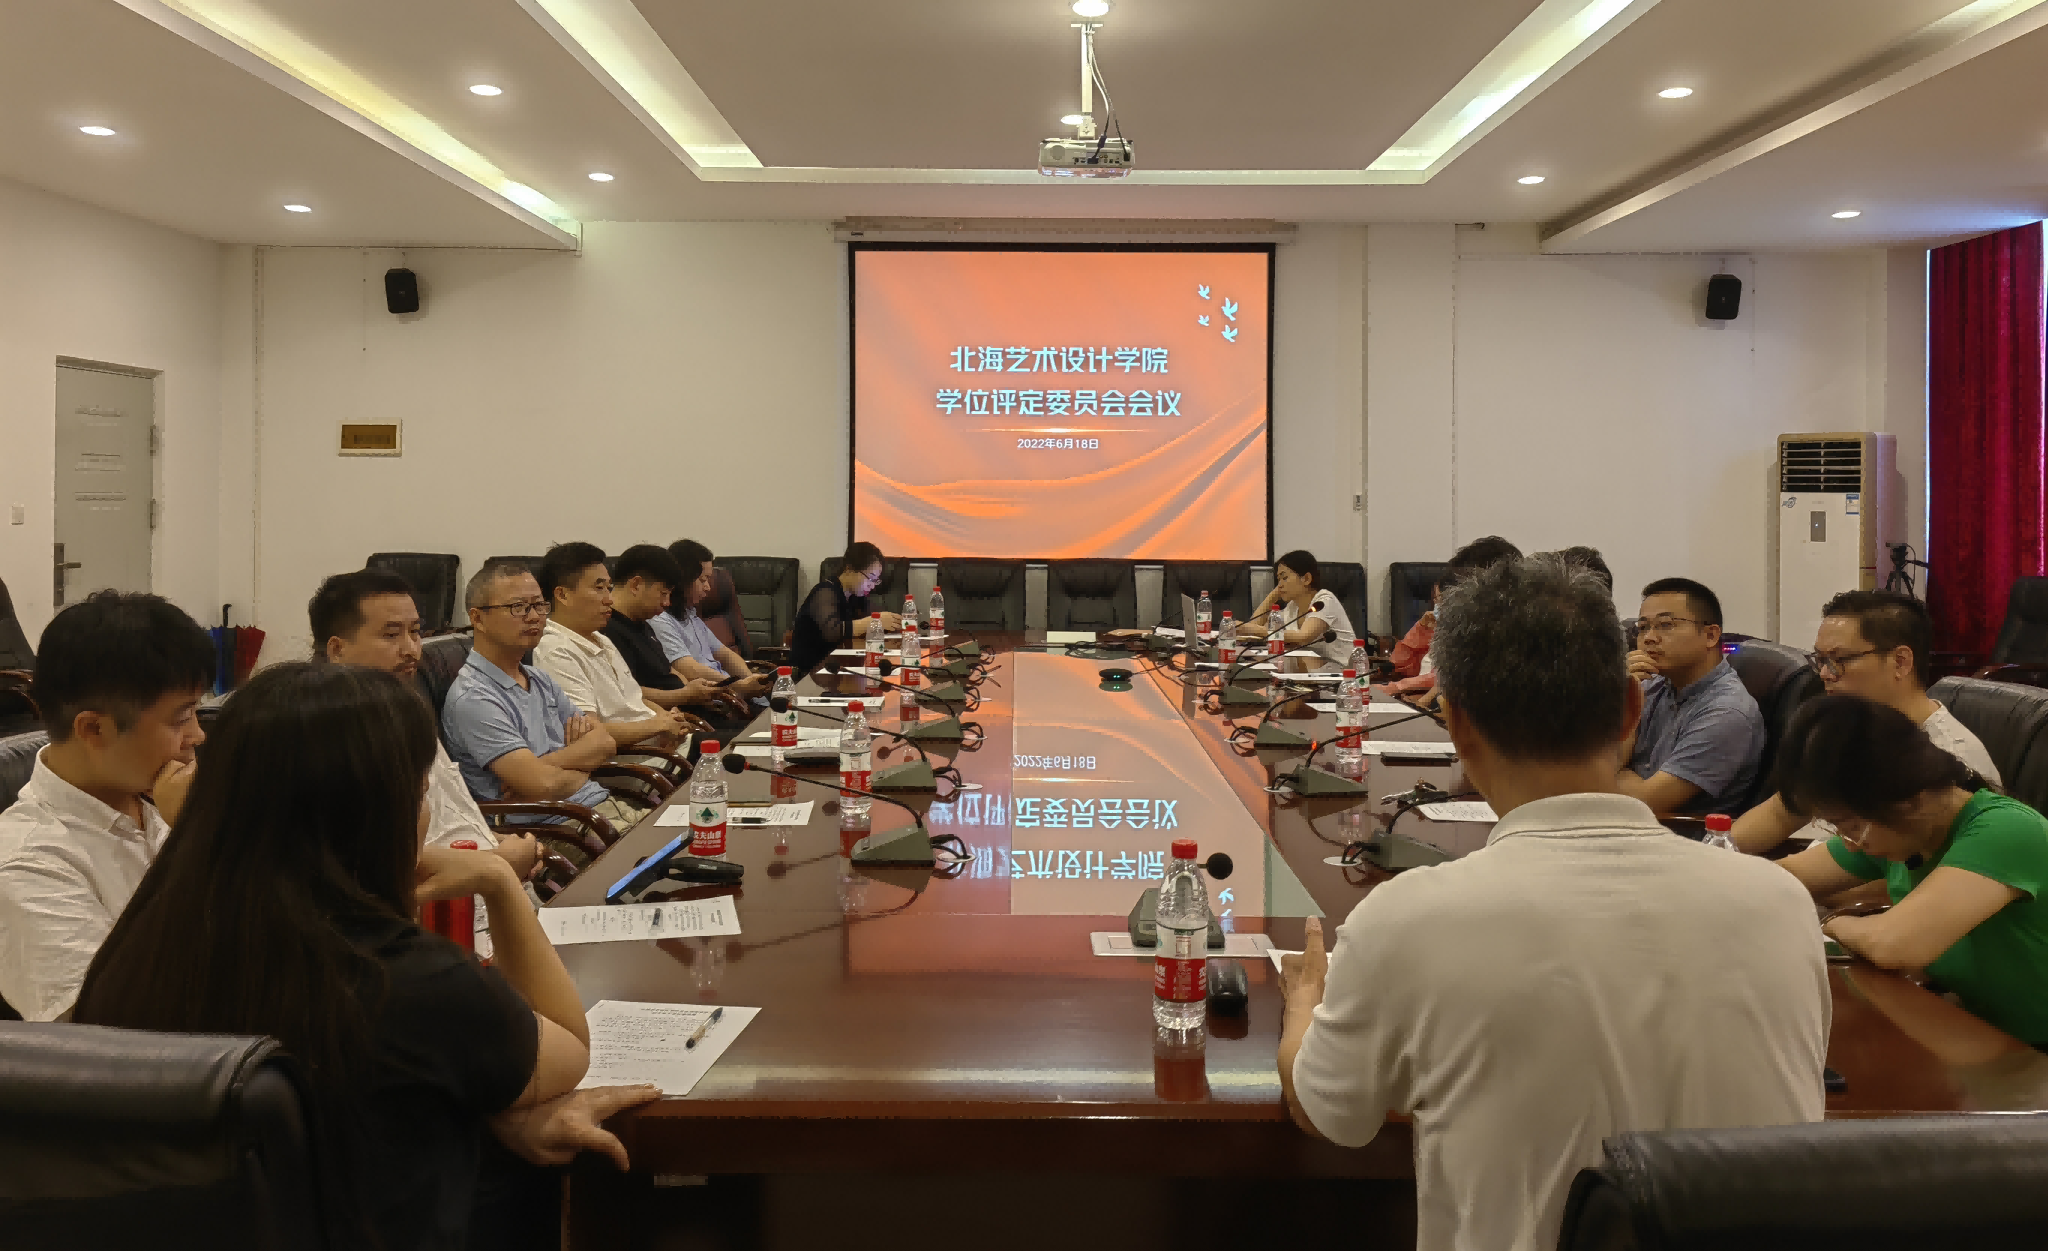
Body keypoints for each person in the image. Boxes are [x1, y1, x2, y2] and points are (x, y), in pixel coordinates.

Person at [1278, 556, 1827, 1251]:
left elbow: (1329, 1114)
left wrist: (1303, 1003)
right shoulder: (1780, 904)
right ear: (1629, 709)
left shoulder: (1407, 920)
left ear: (1456, 724)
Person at [73, 662, 593, 1249]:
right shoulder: (415, 982)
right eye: (421, 795)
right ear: (374, 814)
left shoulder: (134, 955)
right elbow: (569, 1050)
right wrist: (499, 883)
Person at [1773, 696, 2045, 1046]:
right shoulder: (1902, 833)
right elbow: (1775, 879)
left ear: (1912, 801)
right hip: (1974, 1030)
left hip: (2033, 1057)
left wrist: (1832, 924)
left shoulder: (2005, 831)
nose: (1850, 843)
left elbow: (1894, 944)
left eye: (1851, 826)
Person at [0, 592, 212, 1021]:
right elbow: (105, 1030)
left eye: (196, 713)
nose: (197, 736)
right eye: (180, 719)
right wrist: (196, 843)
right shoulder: (29, 863)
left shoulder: (153, 796)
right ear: (94, 729)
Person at [309, 568, 542, 883]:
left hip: (486, 879)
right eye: (391, 635)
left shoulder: (407, 710)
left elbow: (452, 820)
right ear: (337, 650)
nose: (411, 649)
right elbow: (375, 857)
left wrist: (502, 843)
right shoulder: (329, 735)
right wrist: (497, 862)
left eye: (415, 632)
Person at [1733, 589, 2000, 854]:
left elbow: (1894, 870)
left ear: (1900, 662)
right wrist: (1719, 856)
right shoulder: (1846, 732)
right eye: (1821, 660)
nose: (1824, 673)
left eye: (1839, 660)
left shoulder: (1950, 761)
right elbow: (1780, 814)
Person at [442, 561, 631, 862]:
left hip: (597, 808)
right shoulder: (474, 698)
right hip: (554, 831)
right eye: (518, 607)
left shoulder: (539, 678)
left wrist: (547, 765)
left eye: (539, 606)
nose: (534, 617)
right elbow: (542, 785)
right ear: (477, 618)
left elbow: (605, 743)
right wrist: (580, 765)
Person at [1618, 577, 1765, 817]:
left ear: (1710, 636)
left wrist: (1616, 775)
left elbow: (1644, 804)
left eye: (1666, 625)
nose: (1649, 638)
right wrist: (1626, 695)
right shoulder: (1650, 683)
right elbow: (1597, 768)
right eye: (1643, 627)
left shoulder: (1726, 712)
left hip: (1680, 835)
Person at [529, 542, 691, 751]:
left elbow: (634, 698)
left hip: (665, 746)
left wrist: (666, 717)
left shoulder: (600, 638)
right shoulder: (555, 651)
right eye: (599, 588)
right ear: (563, 595)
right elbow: (589, 731)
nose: (609, 599)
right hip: (640, 760)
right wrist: (659, 725)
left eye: (609, 588)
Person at [597, 543, 736, 728]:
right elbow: (627, 693)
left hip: (692, 714)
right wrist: (684, 695)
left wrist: (695, 691)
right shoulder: (608, 631)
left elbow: (670, 670)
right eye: (663, 594)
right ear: (636, 585)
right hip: (666, 725)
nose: (667, 602)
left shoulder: (643, 623)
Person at [1385, 535, 1521, 702]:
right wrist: (1421, 630)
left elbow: (1451, 679)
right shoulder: (1451, 623)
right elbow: (1399, 668)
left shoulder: (1506, 633)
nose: (1442, 606)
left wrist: (1397, 688)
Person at [647, 539, 771, 704]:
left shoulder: (690, 613)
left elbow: (725, 654)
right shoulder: (660, 620)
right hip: (714, 701)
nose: (708, 587)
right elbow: (689, 669)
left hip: (732, 693)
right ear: (683, 580)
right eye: (703, 580)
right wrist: (739, 686)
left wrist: (751, 681)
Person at [789, 541, 901, 676]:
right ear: (849, 569)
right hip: (810, 672)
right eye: (870, 578)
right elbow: (832, 631)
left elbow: (874, 619)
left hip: (837, 666)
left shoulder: (855, 596)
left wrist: (892, 622)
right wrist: (872, 622)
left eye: (876, 580)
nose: (872, 586)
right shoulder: (824, 592)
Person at [1238, 549, 1356, 667]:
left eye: (1284, 578)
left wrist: (1249, 629)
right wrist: (1273, 595)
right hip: (1314, 671)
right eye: (1278, 580)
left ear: (1306, 579)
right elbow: (1254, 628)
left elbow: (1303, 637)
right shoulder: (1292, 607)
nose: (1280, 585)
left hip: (1345, 671)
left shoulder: (1324, 601)